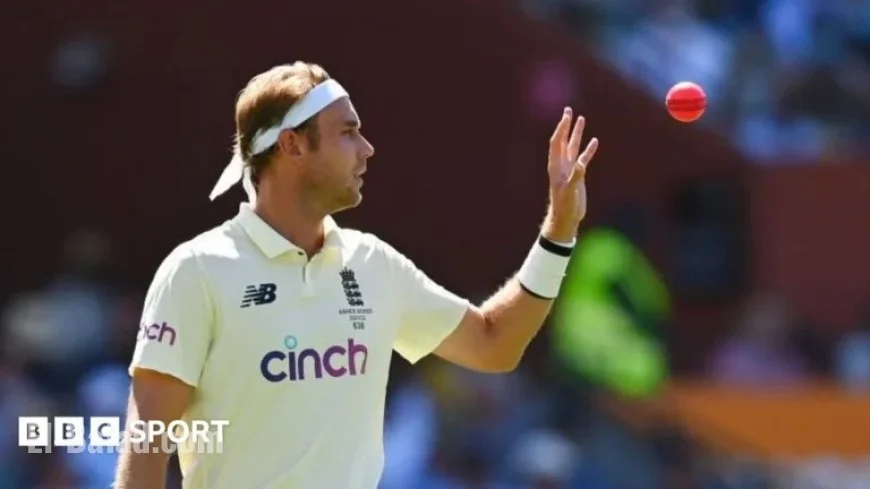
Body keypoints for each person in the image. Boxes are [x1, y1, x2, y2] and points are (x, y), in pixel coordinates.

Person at [113, 61, 599, 489]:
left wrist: (557, 234)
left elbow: (495, 345)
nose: (367, 149)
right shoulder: (196, 270)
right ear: (292, 145)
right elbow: (147, 441)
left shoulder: (373, 264)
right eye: (347, 132)